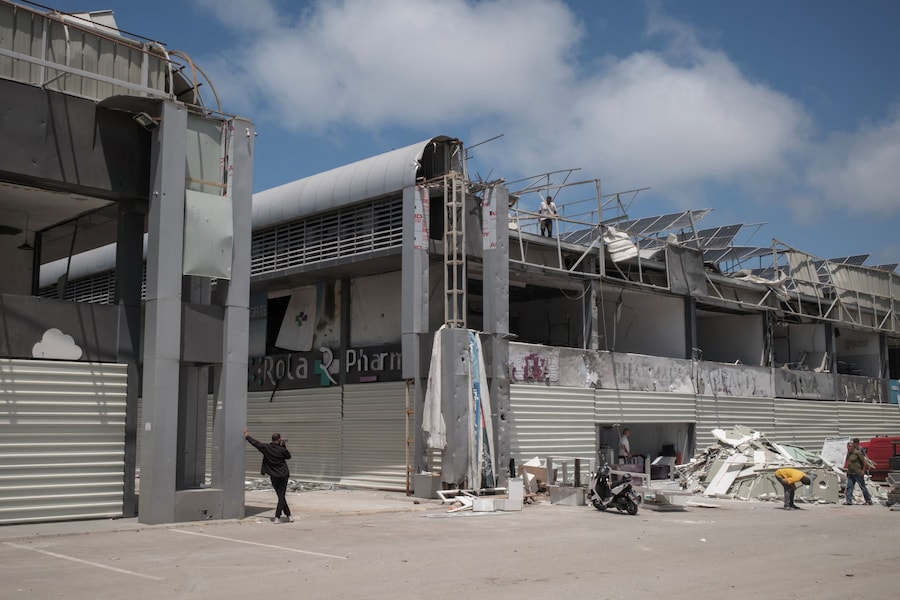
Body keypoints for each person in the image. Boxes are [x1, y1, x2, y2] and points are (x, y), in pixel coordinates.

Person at [244, 427, 294, 523]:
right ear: (279, 439)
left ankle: (287, 515)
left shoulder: (266, 448)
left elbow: (256, 443)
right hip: (283, 475)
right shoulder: (282, 450)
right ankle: (280, 516)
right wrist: (284, 446)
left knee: (280, 495)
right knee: (281, 496)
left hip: (273, 475)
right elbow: (288, 457)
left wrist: (247, 436)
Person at [843, 440, 873, 505]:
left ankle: (868, 500)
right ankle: (848, 501)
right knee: (849, 487)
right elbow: (848, 462)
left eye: (850, 446)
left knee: (863, 487)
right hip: (850, 473)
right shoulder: (849, 454)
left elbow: (864, 462)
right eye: (848, 446)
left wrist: (863, 471)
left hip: (858, 473)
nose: (848, 448)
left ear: (853, 447)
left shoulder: (857, 453)